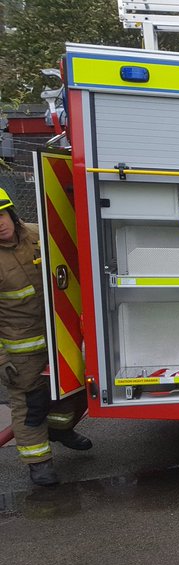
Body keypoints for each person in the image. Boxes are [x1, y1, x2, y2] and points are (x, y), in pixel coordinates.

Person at [0, 188, 91, 487]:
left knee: (75, 387)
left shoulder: (38, 234)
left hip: (58, 335)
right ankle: (38, 463)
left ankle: (60, 430)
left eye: (1, 215)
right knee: (30, 405)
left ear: (11, 213)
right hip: (21, 350)